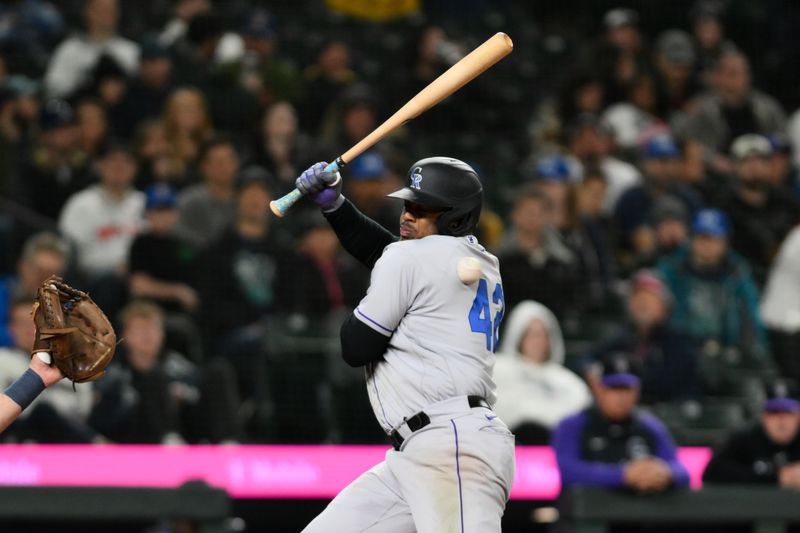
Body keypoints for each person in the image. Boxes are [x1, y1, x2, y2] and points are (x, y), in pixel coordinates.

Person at [295, 157, 515, 532]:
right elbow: (390, 253)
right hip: (421, 451)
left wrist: (376, 303)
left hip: (451, 448)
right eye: (408, 204)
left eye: (423, 209)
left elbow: (356, 346)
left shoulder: (410, 259)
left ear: (455, 218)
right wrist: (336, 207)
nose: (407, 216)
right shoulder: (481, 261)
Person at [553, 353, 690, 493]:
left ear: (637, 391)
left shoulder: (649, 426)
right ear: (599, 389)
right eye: (614, 388)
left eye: (626, 389)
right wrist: (623, 475)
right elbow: (568, 471)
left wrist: (665, 474)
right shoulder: (573, 425)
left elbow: (682, 471)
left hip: (641, 511)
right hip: (590, 510)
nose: (621, 397)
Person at [657, 208, 767, 359]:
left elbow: (750, 315)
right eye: (702, 238)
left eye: (714, 239)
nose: (707, 245)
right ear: (692, 239)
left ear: (725, 242)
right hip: (680, 347)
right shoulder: (673, 269)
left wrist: (755, 352)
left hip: (725, 350)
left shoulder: (736, 273)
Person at [585, 270, 701, 404]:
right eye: (637, 298)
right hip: (629, 410)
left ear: (664, 307)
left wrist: (625, 381)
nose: (642, 304)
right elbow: (587, 358)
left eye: (649, 299)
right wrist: (593, 373)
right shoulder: (624, 336)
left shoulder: (679, 340)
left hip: (670, 410)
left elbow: (669, 381)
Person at [0, 297, 97, 442]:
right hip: (16, 437)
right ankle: (98, 443)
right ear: (11, 328)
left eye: (37, 322)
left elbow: (85, 411)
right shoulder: (3, 359)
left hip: (66, 438)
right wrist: (35, 378)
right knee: (42, 411)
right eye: (23, 323)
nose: (30, 329)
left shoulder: (73, 363)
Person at [493, 300, 591, 444]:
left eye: (542, 335)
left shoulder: (568, 381)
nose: (537, 341)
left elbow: (577, 415)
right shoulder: (499, 369)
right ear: (517, 335)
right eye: (531, 334)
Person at [717, 134, 800, 285]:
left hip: (788, 277)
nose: (753, 166)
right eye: (746, 160)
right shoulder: (724, 205)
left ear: (770, 165)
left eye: (760, 160)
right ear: (735, 166)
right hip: (740, 280)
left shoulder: (786, 200)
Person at [498, 184, 580, 319]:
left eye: (538, 212)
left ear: (547, 216)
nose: (532, 217)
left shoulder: (561, 262)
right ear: (515, 214)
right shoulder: (500, 260)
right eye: (528, 211)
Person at [703, 380, 800, 487]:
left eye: (788, 412)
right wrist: (775, 478)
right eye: (774, 412)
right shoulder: (744, 440)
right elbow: (711, 474)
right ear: (763, 416)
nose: (781, 420)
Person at [43, 0, 139, 99]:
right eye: (101, 10)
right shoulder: (69, 49)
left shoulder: (131, 51)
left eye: (111, 10)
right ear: (87, 12)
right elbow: (52, 88)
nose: (106, 15)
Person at [0, 232, 68, 347]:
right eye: (39, 272)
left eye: (50, 275)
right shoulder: (4, 291)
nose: (43, 280)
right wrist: (15, 337)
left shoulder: (65, 305)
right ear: (23, 266)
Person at [174, 135, 238, 248]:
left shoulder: (245, 200)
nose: (225, 167)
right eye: (219, 162)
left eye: (230, 160)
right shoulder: (190, 201)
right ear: (204, 167)